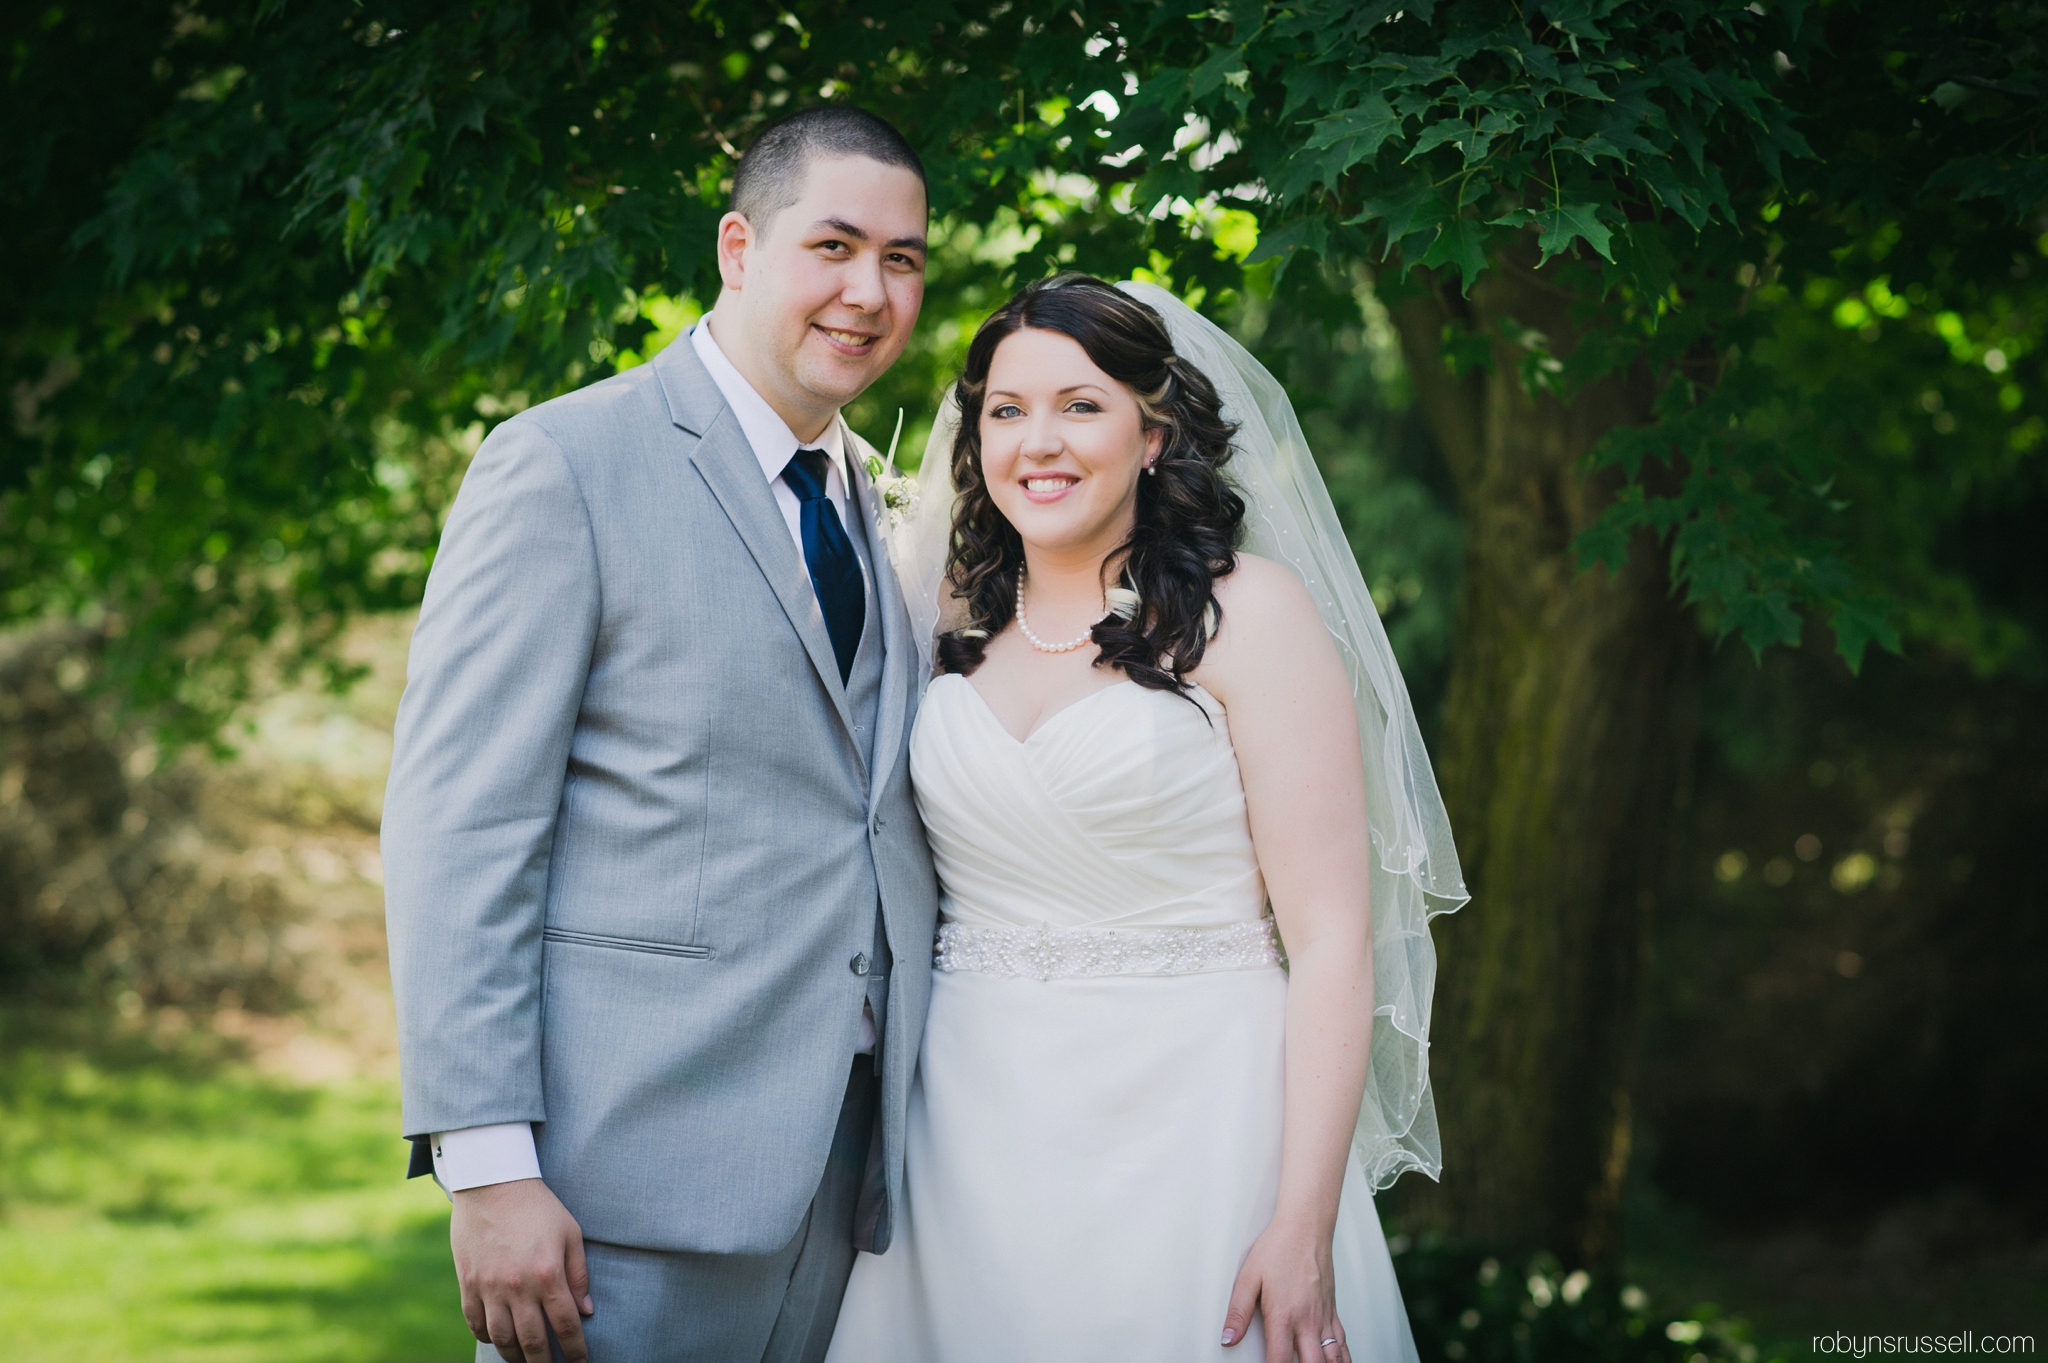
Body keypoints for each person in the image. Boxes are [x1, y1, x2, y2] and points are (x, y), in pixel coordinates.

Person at [381, 105, 940, 1363]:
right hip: (615, 1197)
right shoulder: (562, 465)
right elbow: (460, 830)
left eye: (901, 260)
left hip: (847, 1187)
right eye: (833, 246)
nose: (868, 292)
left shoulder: (884, 503)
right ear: (739, 248)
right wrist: (486, 1166)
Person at [824, 275, 1468, 1362]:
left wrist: (1300, 1221)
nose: (1040, 441)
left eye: (1081, 405)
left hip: (1203, 1124)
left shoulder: (1246, 613)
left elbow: (1328, 944)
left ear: (1153, 432)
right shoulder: (934, 614)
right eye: (1006, 409)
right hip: (970, 1129)